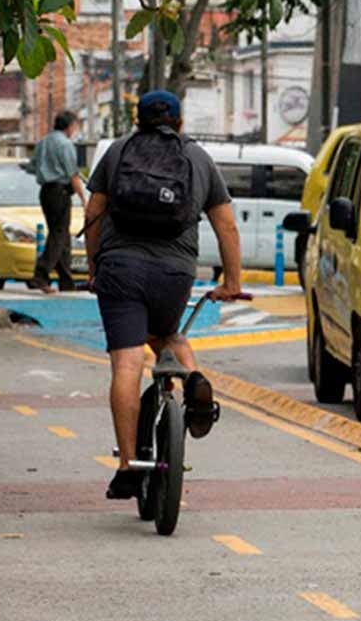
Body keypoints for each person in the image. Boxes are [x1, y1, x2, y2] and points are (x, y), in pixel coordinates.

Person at [83, 90, 243, 500]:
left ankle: (127, 467)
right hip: (174, 272)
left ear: (136, 118)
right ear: (179, 122)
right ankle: (192, 382)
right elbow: (226, 226)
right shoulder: (198, 158)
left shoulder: (118, 151)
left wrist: (96, 266)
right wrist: (232, 284)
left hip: (120, 268)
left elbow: (92, 214)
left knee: (127, 362)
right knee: (169, 335)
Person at [26, 111, 88, 293]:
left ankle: (66, 280)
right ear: (69, 126)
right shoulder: (65, 144)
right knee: (58, 233)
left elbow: (31, 166)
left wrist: (47, 170)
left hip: (46, 191)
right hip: (60, 191)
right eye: (75, 126)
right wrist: (84, 199)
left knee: (61, 235)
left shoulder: (44, 141)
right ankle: (40, 274)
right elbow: (73, 174)